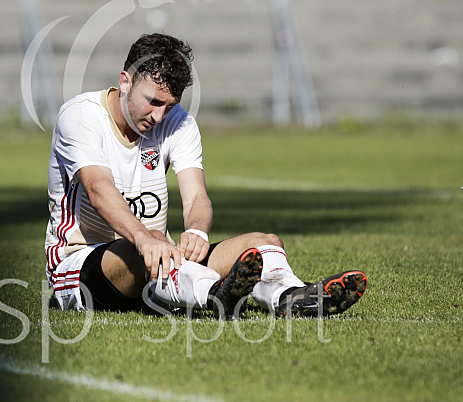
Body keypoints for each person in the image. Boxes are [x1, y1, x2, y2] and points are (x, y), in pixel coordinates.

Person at [45, 33, 367, 319]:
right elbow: (98, 188)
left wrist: (197, 230)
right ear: (125, 81)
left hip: (160, 258)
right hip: (80, 266)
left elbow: (197, 196)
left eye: (169, 106)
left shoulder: (179, 122)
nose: (159, 116)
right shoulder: (81, 115)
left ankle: (290, 296)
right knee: (151, 244)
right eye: (153, 102)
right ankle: (214, 294)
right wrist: (143, 238)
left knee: (264, 243)